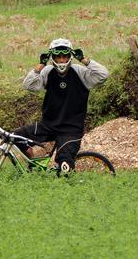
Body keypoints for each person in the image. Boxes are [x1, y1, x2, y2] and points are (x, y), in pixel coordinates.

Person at [13, 38, 109, 171]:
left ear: (70, 57)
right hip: (48, 125)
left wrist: (84, 60)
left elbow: (103, 75)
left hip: (71, 130)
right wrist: (41, 64)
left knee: (65, 168)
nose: (62, 60)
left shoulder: (80, 72)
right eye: (58, 57)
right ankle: (33, 167)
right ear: (53, 58)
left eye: (65, 57)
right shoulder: (47, 71)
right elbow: (29, 85)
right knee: (16, 137)